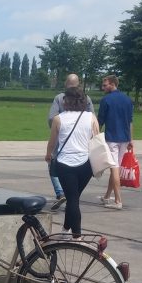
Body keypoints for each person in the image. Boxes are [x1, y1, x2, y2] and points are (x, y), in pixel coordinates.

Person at [46, 87, 98, 240]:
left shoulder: (58, 119)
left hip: (65, 164)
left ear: (66, 100)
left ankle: (77, 236)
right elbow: (96, 139)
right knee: (73, 198)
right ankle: (65, 228)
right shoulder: (91, 117)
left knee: (73, 199)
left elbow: (52, 142)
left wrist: (48, 155)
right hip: (86, 164)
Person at [45, 74, 94, 211]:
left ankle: (61, 192)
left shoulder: (60, 98)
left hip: (62, 138)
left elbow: (51, 117)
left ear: (66, 84)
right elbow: (92, 119)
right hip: (81, 142)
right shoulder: (87, 98)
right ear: (79, 84)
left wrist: (57, 127)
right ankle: (72, 196)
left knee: (53, 165)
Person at [96, 74, 132, 210]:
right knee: (115, 167)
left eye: (105, 85)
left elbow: (100, 120)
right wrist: (131, 139)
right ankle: (107, 196)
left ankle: (118, 200)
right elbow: (130, 121)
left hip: (112, 138)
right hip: (124, 138)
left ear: (112, 84)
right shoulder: (127, 99)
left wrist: (95, 136)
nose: (103, 87)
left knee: (114, 168)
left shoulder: (106, 100)